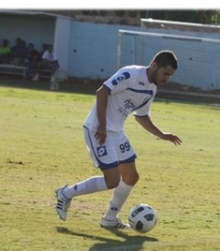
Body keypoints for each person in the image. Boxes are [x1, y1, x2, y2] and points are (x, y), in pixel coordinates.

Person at [54, 50, 182, 229]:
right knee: (112, 180)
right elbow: (102, 92)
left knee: (131, 176)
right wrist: (101, 125)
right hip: (97, 130)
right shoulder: (130, 74)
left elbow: (141, 116)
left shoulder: (151, 89)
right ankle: (65, 193)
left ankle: (109, 219)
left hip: (116, 133)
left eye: (170, 76)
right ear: (154, 66)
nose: (167, 78)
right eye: (165, 73)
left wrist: (162, 135)